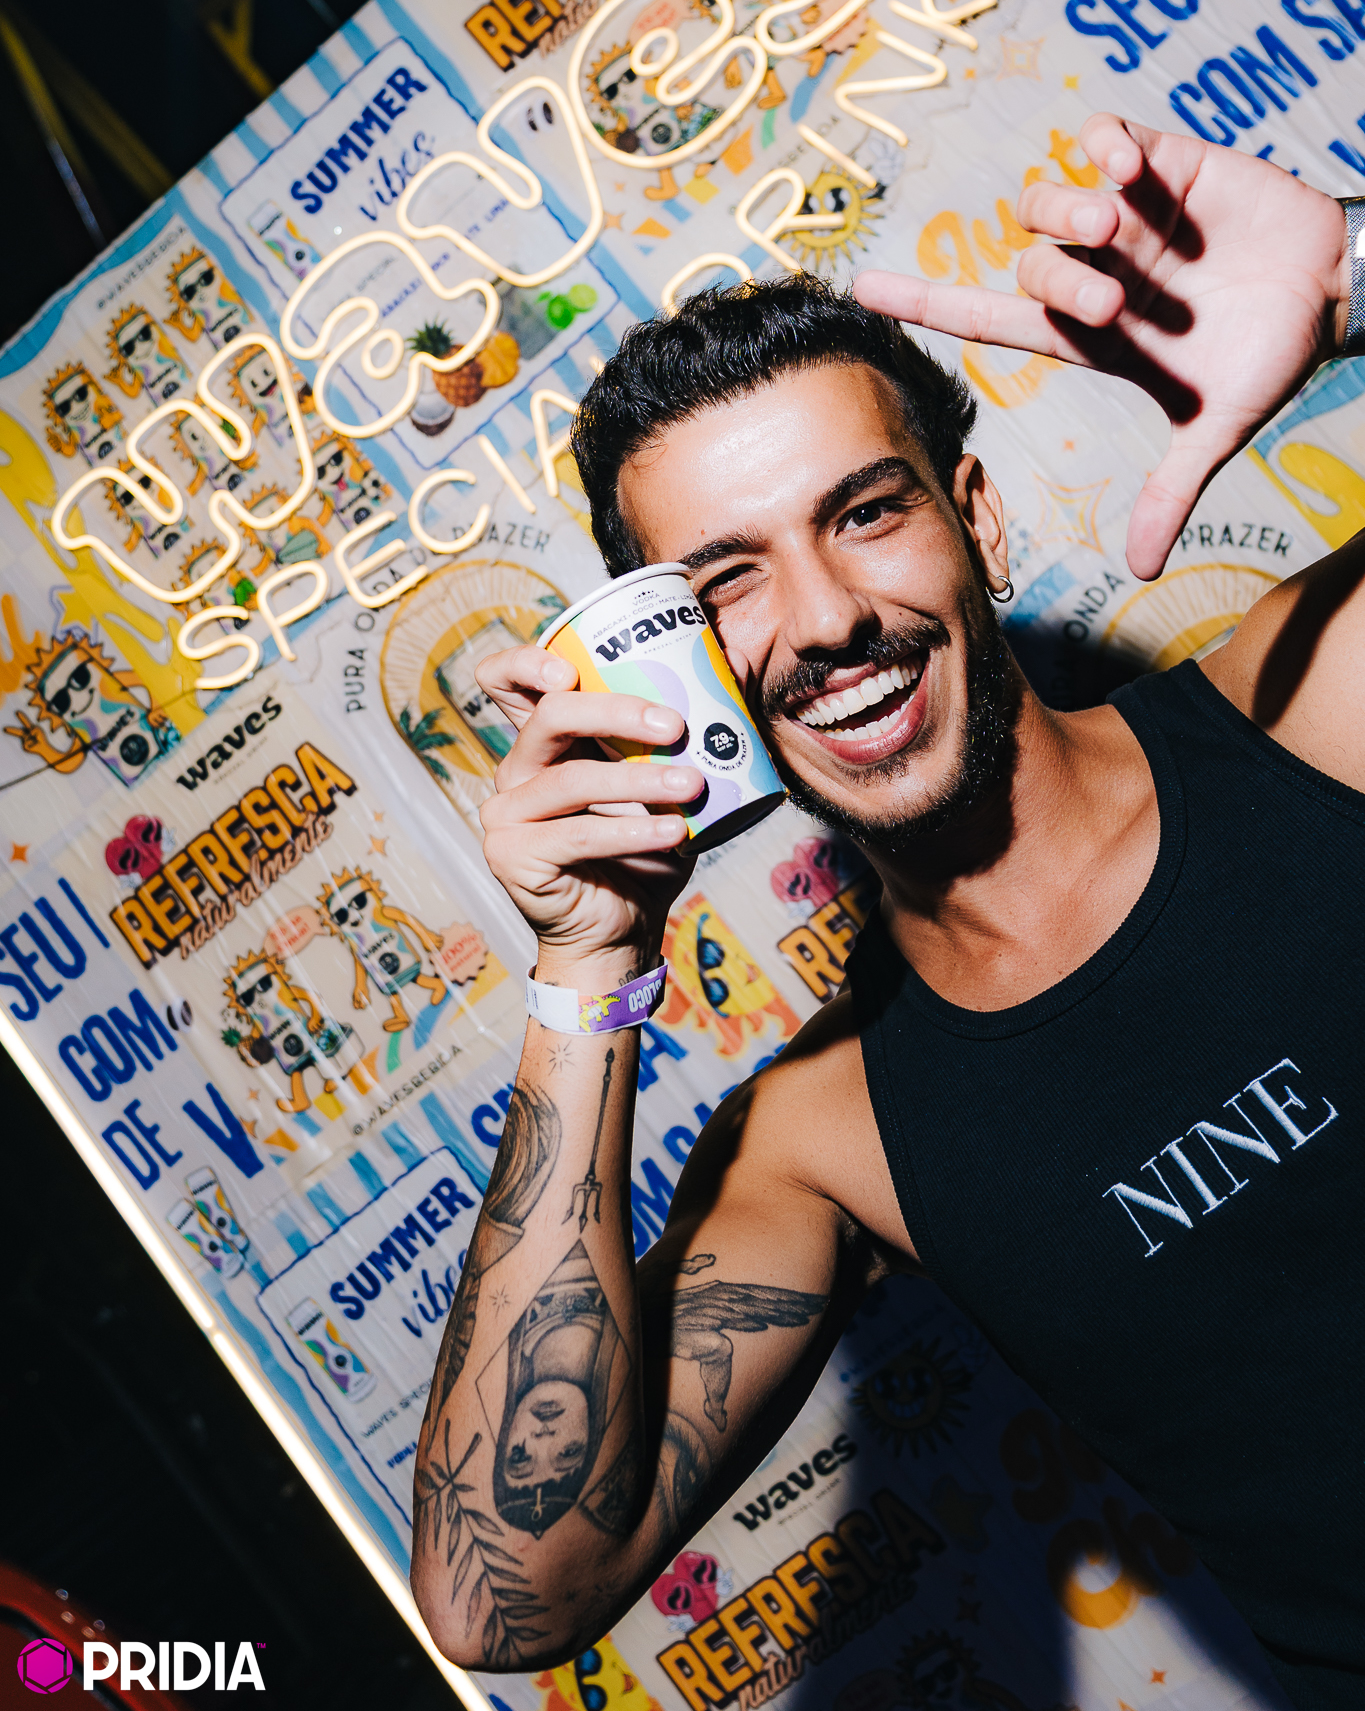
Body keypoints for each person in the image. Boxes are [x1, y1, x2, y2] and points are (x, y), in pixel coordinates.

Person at [410, 115, 1362, 1707]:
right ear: (677, 662)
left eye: (863, 513)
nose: (825, 618)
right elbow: (500, 1595)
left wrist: (1355, 276)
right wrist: (582, 971)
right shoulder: (826, 1136)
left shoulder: (1316, 701)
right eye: (726, 581)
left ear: (974, 519)